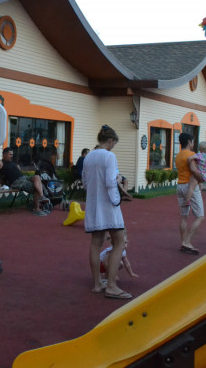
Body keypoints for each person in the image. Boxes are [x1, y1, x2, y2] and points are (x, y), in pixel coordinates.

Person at [83, 124, 132, 299]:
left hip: (93, 205)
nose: (113, 147)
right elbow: (111, 182)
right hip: (108, 205)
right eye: (113, 143)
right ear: (110, 140)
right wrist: (118, 196)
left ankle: (97, 283)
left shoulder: (88, 157)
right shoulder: (109, 156)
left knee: (96, 243)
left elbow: (85, 183)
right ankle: (111, 285)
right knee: (118, 242)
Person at [0, 146, 49, 216]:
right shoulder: (0, 162)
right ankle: (37, 209)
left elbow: (17, 171)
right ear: (4, 154)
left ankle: (42, 196)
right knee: (36, 188)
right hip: (16, 182)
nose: (11, 156)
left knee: (37, 177)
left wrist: (18, 168)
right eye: (10, 154)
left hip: (23, 178)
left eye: (12, 154)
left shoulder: (12, 162)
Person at [176, 132, 206, 255]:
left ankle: (183, 242)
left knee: (184, 216)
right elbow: (194, 169)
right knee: (200, 216)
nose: (193, 143)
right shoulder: (191, 155)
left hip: (180, 186)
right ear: (189, 142)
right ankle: (187, 242)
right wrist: (202, 178)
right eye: (192, 141)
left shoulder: (178, 156)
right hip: (190, 187)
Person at [184, 140, 206, 205]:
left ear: (200, 149)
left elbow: (189, 158)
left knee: (191, 186)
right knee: (199, 184)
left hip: (198, 174)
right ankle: (199, 193)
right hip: (205, 176)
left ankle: (187, 200)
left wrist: (189, 162)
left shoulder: (199, 155)